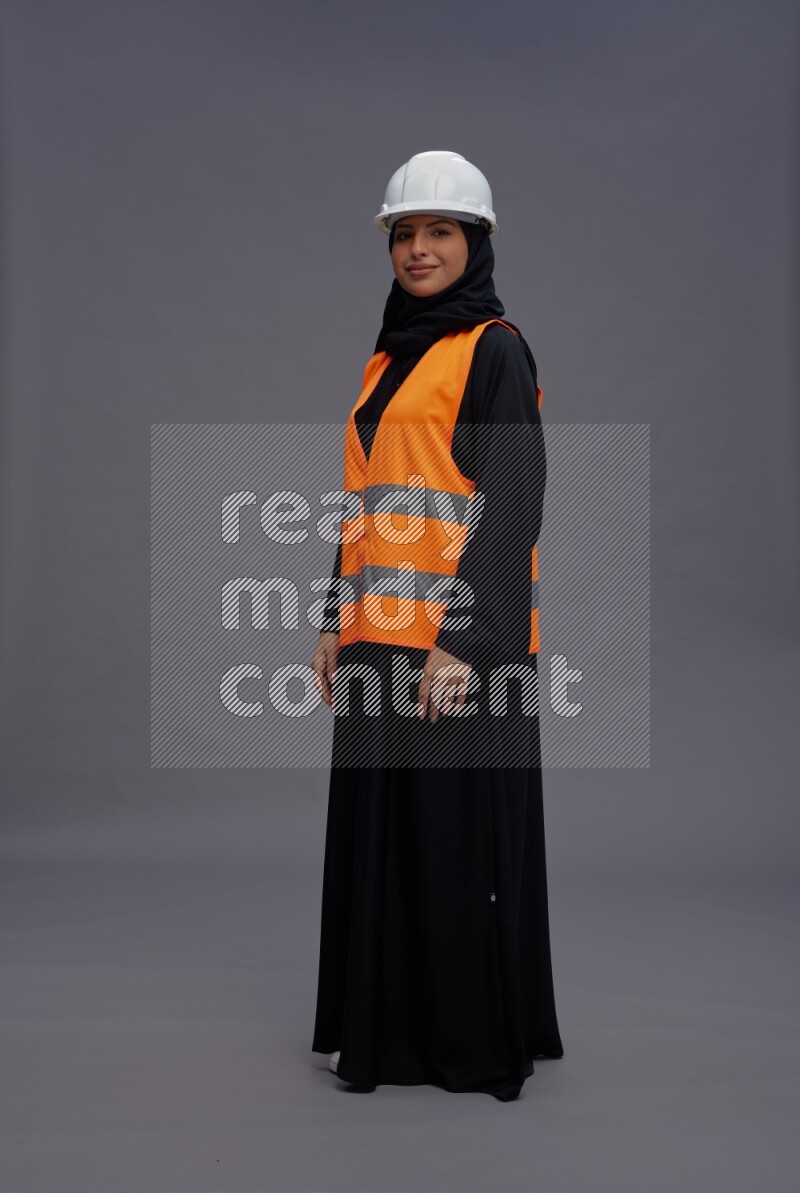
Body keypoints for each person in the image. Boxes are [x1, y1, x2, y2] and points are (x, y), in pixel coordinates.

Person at [309, 150, 564, 1101]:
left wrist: (467, 639)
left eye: (440, 231)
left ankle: (465, 1040)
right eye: (405, 233)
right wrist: (332, 617)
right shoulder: (388, 358)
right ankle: (385, 1031)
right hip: (377, 640)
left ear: (476, 242)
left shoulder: (495, 350)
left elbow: (512, 498)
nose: (419, 249)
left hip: (458, 648)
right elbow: (366, 502)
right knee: (388, 838)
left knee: (456, 845)